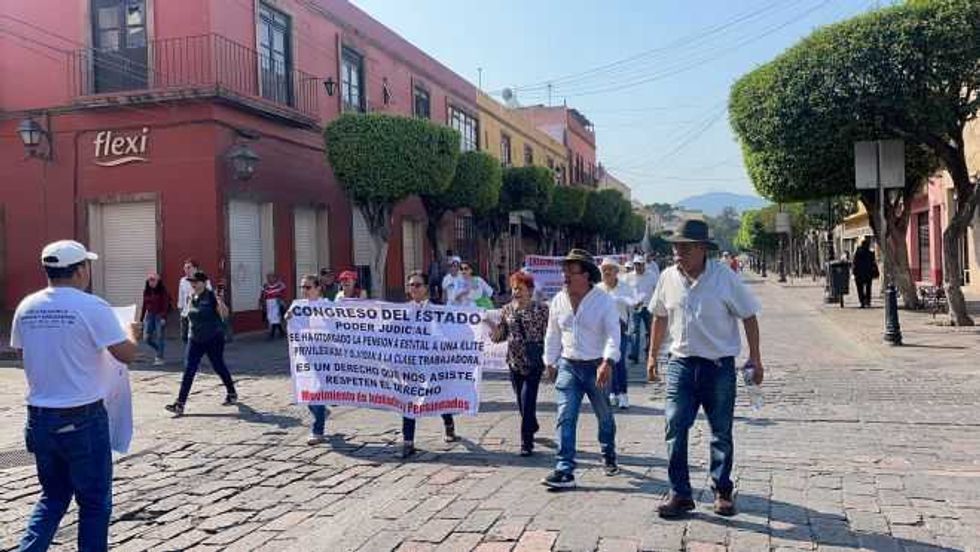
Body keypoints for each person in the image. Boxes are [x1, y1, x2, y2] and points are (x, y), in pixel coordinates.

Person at [11, 240, 140, 552]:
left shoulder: (27, 306)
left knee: (53, 497)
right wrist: (134, 332)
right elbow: (125, 354)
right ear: (81, 270)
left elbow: (21, 353)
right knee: (94, 503)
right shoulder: (92, 306)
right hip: (82, 418)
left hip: (39, 417)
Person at [646, 219, 763, 518]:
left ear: (701, 250)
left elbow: (749, 316)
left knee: (721, 431)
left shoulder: (724, 277)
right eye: (675, 246)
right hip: (680, 364)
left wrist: (755, 358)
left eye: (683, 247)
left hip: (718, 366)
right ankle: (680, 493)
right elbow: (659, 316)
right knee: (674, 425)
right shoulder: (668, 277)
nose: (677, 252)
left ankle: (722, 490)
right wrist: (651, 356)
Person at [541, 249, 621, 489]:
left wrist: (608, 361)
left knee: (604, 415)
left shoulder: (603, 300)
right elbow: (553, 333)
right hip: (568, 365)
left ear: (586, 275)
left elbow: (613, 334)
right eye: (564, 270)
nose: (565, 275)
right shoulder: (558, 300)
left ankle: (608, 452)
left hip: (597, 366)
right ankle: (564, 468)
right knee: (565, 416)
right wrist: (550, 360)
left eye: (571, 270)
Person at [488, 271, 549, 456]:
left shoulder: (542, 309)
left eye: (520, 289)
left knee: (528, 401)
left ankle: (526, 443)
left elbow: (550, 335)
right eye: (514, 288)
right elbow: (500, 337)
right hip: (514, 362)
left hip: (533, 362)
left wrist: (550, 360)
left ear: (530, 291)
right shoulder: (507, 309)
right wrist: (492, 328)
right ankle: (532, 424)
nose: (516, 292)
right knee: (521, 404)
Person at [400, 271, 460, 458]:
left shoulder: (437, 309)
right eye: (411, 285)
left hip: (433, 363)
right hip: (411, 364)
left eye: (418, 285)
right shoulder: (402, 311)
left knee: (438, 396)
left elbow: (450, 331)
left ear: (426, 288)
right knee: (409, 401)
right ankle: (408, 441)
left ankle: (448, 424)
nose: (414, 289)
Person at [165, 271, 238, 416]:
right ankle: (180, 403)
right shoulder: (192, 297)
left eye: (196, 282)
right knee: (189, 369)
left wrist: (220, 301)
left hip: (213, 338)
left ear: (204, 283)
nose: (193, 284)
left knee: (218, 366)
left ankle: (231, 392)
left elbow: (224, 314)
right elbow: (188, 316)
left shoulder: (211, 296)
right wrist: (185, 333)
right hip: (195, 339)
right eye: (191, 282)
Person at [290, 274, 331, 445]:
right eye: (302, 287)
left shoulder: (328, 306)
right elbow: (292, 328)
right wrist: (289, 318)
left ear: (318, 288)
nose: (304, 291)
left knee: (316, 394)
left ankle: (318, 431)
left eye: (308, 287)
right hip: (305, 356)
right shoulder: (298, 306)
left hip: (324, 356)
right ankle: (320, 412)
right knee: (306, 393)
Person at [596, 258, 636, 409]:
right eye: (604, 269)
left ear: (616, 271)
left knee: (618, 362)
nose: (606, 272)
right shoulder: (598, 289)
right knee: (606, 361)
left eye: (609, 269)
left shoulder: (625, 287)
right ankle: (612, 392)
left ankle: (623, 394)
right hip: (602, 330)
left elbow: (633, 306)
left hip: (620, 328)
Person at [622, 255, 659, 363]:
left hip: (649, 307)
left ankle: (650, 353)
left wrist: (655, 303)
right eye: (636, 264)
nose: (638, 267)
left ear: (644, 265)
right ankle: (634, 354)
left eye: (640, 264)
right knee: (634, 332)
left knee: (651, 331)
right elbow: (623, 290)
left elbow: (657, 290)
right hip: (635, 307)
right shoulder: (628, 277)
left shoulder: (651, 275)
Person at [140, 272, 172, 366]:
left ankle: (159, 357)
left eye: (153, 280)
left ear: (158, 281)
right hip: (149, 315)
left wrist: (163, 317)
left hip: (159, 315)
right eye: (149, 280)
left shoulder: (163, 291)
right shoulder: (146, 291)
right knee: (146, 338)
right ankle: (159, 349)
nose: (151, 282)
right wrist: (141, 319)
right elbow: (144, 305)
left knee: (159, 336)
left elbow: (165, 305)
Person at [177, 258, 207, 344]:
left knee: (194, 338)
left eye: (188, 267)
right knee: (184, 337)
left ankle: (192, 355)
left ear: (195, 268)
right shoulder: (182, 280)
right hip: (185, 313)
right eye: (185, 268)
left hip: (197, 313)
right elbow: (181, 295)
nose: (186, 270)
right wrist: (180, 308)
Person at [259, 272, 287, 339]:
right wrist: (261, 302)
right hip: (268, 303)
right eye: (268, 277)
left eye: (271, 277)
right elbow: (263, 294)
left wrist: (282, 301)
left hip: (276, 303)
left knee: (275, 318)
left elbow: (283, 293)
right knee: (271, 318)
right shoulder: (265, 286)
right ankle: (282, 332)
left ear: (275, 278)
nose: (269, 279)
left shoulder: (280, 285)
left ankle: (272, 334)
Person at [852, 237, 878, 308]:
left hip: (859, 274)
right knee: (868, 288)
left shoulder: (858, 253)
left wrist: (854, 272)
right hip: (868, 273)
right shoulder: (870, 253)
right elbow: (873, 263)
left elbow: (855, 263)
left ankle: (862, 301)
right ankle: (868, 301)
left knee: (860, 288)